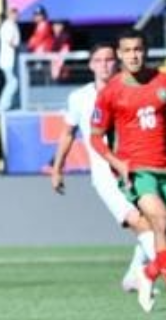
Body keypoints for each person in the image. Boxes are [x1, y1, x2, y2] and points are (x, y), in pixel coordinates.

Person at [50, 42, 155, 301]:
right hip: (105, 175)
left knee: (156, 222)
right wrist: (57, 168)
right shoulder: (80, 98)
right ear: (91, 65)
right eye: (99, 60)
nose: (105, 64)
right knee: (138, 221)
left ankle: (135, 274)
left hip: (137, 167)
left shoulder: (132, 89)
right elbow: (67, 133)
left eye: (109, 59)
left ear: (117, 61)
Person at [90, 30, 166, 312]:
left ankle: (149, 272)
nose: (133, 55)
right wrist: (117, 162)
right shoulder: (110, 93)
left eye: (138, 49)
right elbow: (96, 136)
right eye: (127, 50)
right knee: (160, 219)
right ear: (120, 54)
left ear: (147, 51)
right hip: (136, 172)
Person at [0, 7, 20, 115]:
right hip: (7, 60)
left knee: (14, 82)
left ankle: (10, 104)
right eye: (13, 13)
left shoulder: (12, 25)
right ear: (9, 14)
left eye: (16, 13)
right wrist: (17, 46)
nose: (15, 15)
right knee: (13, 82)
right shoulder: (7, 26)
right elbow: (10, 41)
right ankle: (2, 106)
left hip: (11, 59)